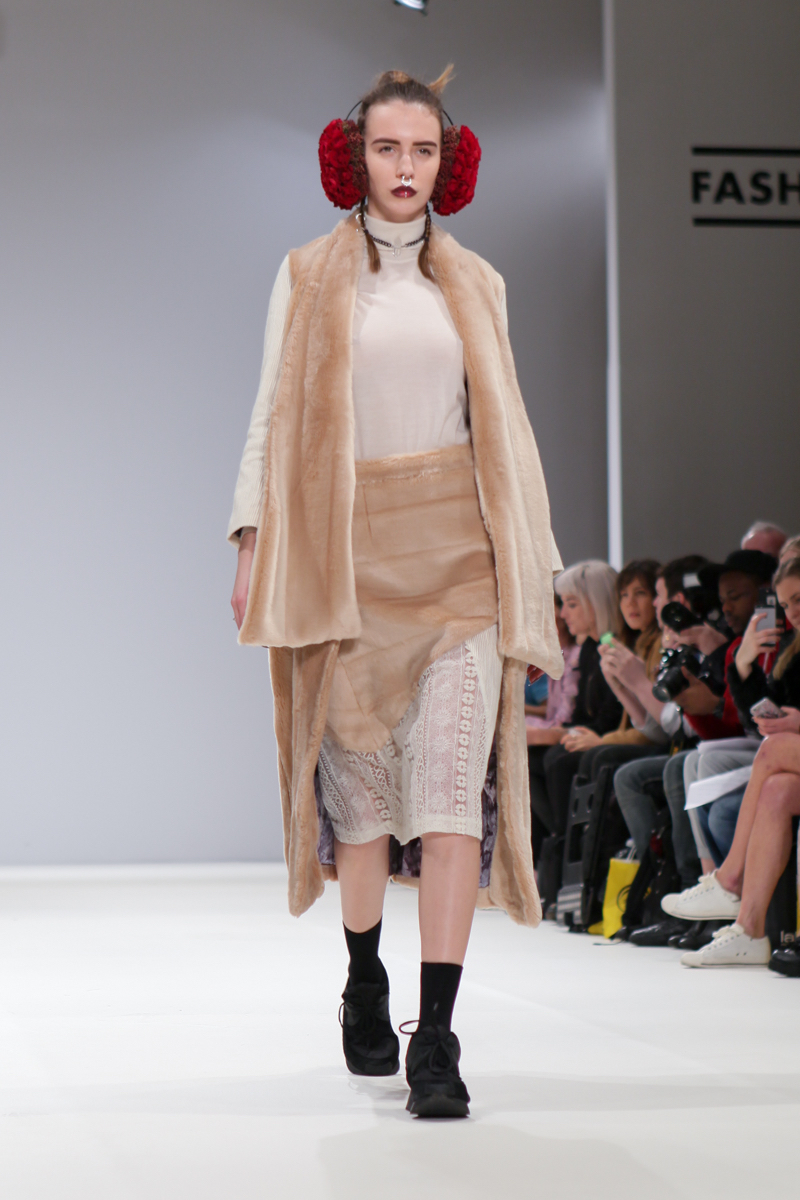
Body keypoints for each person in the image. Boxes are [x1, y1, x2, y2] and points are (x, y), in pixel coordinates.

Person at [227, 68, 563, 1118]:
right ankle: (365, 974)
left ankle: (439, 1038)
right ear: (354, 155)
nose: (405, 167)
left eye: (422, 149)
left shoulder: (478, 283)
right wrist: (249, 539)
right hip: (345, 567)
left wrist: (534, 563)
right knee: (364, 814)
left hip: (458, 563)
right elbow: (271, 415)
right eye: (387, 148)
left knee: (451, 800)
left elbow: (507, 430)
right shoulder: (307, 275)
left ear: (447, 161)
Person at [662, 556, 800, 967]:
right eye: (786, 603)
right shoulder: (793, 651)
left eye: (799, 599)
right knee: (777, 789)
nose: (792, 612)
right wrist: (743, 664)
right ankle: (749, 930)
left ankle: (729, 878)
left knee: (771, 751)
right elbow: (759, 716)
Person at [527, 561, 623, 850]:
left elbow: (609, 716)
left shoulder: (609, 649)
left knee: (556, 759)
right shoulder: (592, 649)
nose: (562, 613)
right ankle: (551, 849)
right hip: (589, 732)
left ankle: (564, 846)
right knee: (530, 759)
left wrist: (564, 733)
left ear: (597, 602)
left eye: (571, 604)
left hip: (605, 738)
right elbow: (582, 712)